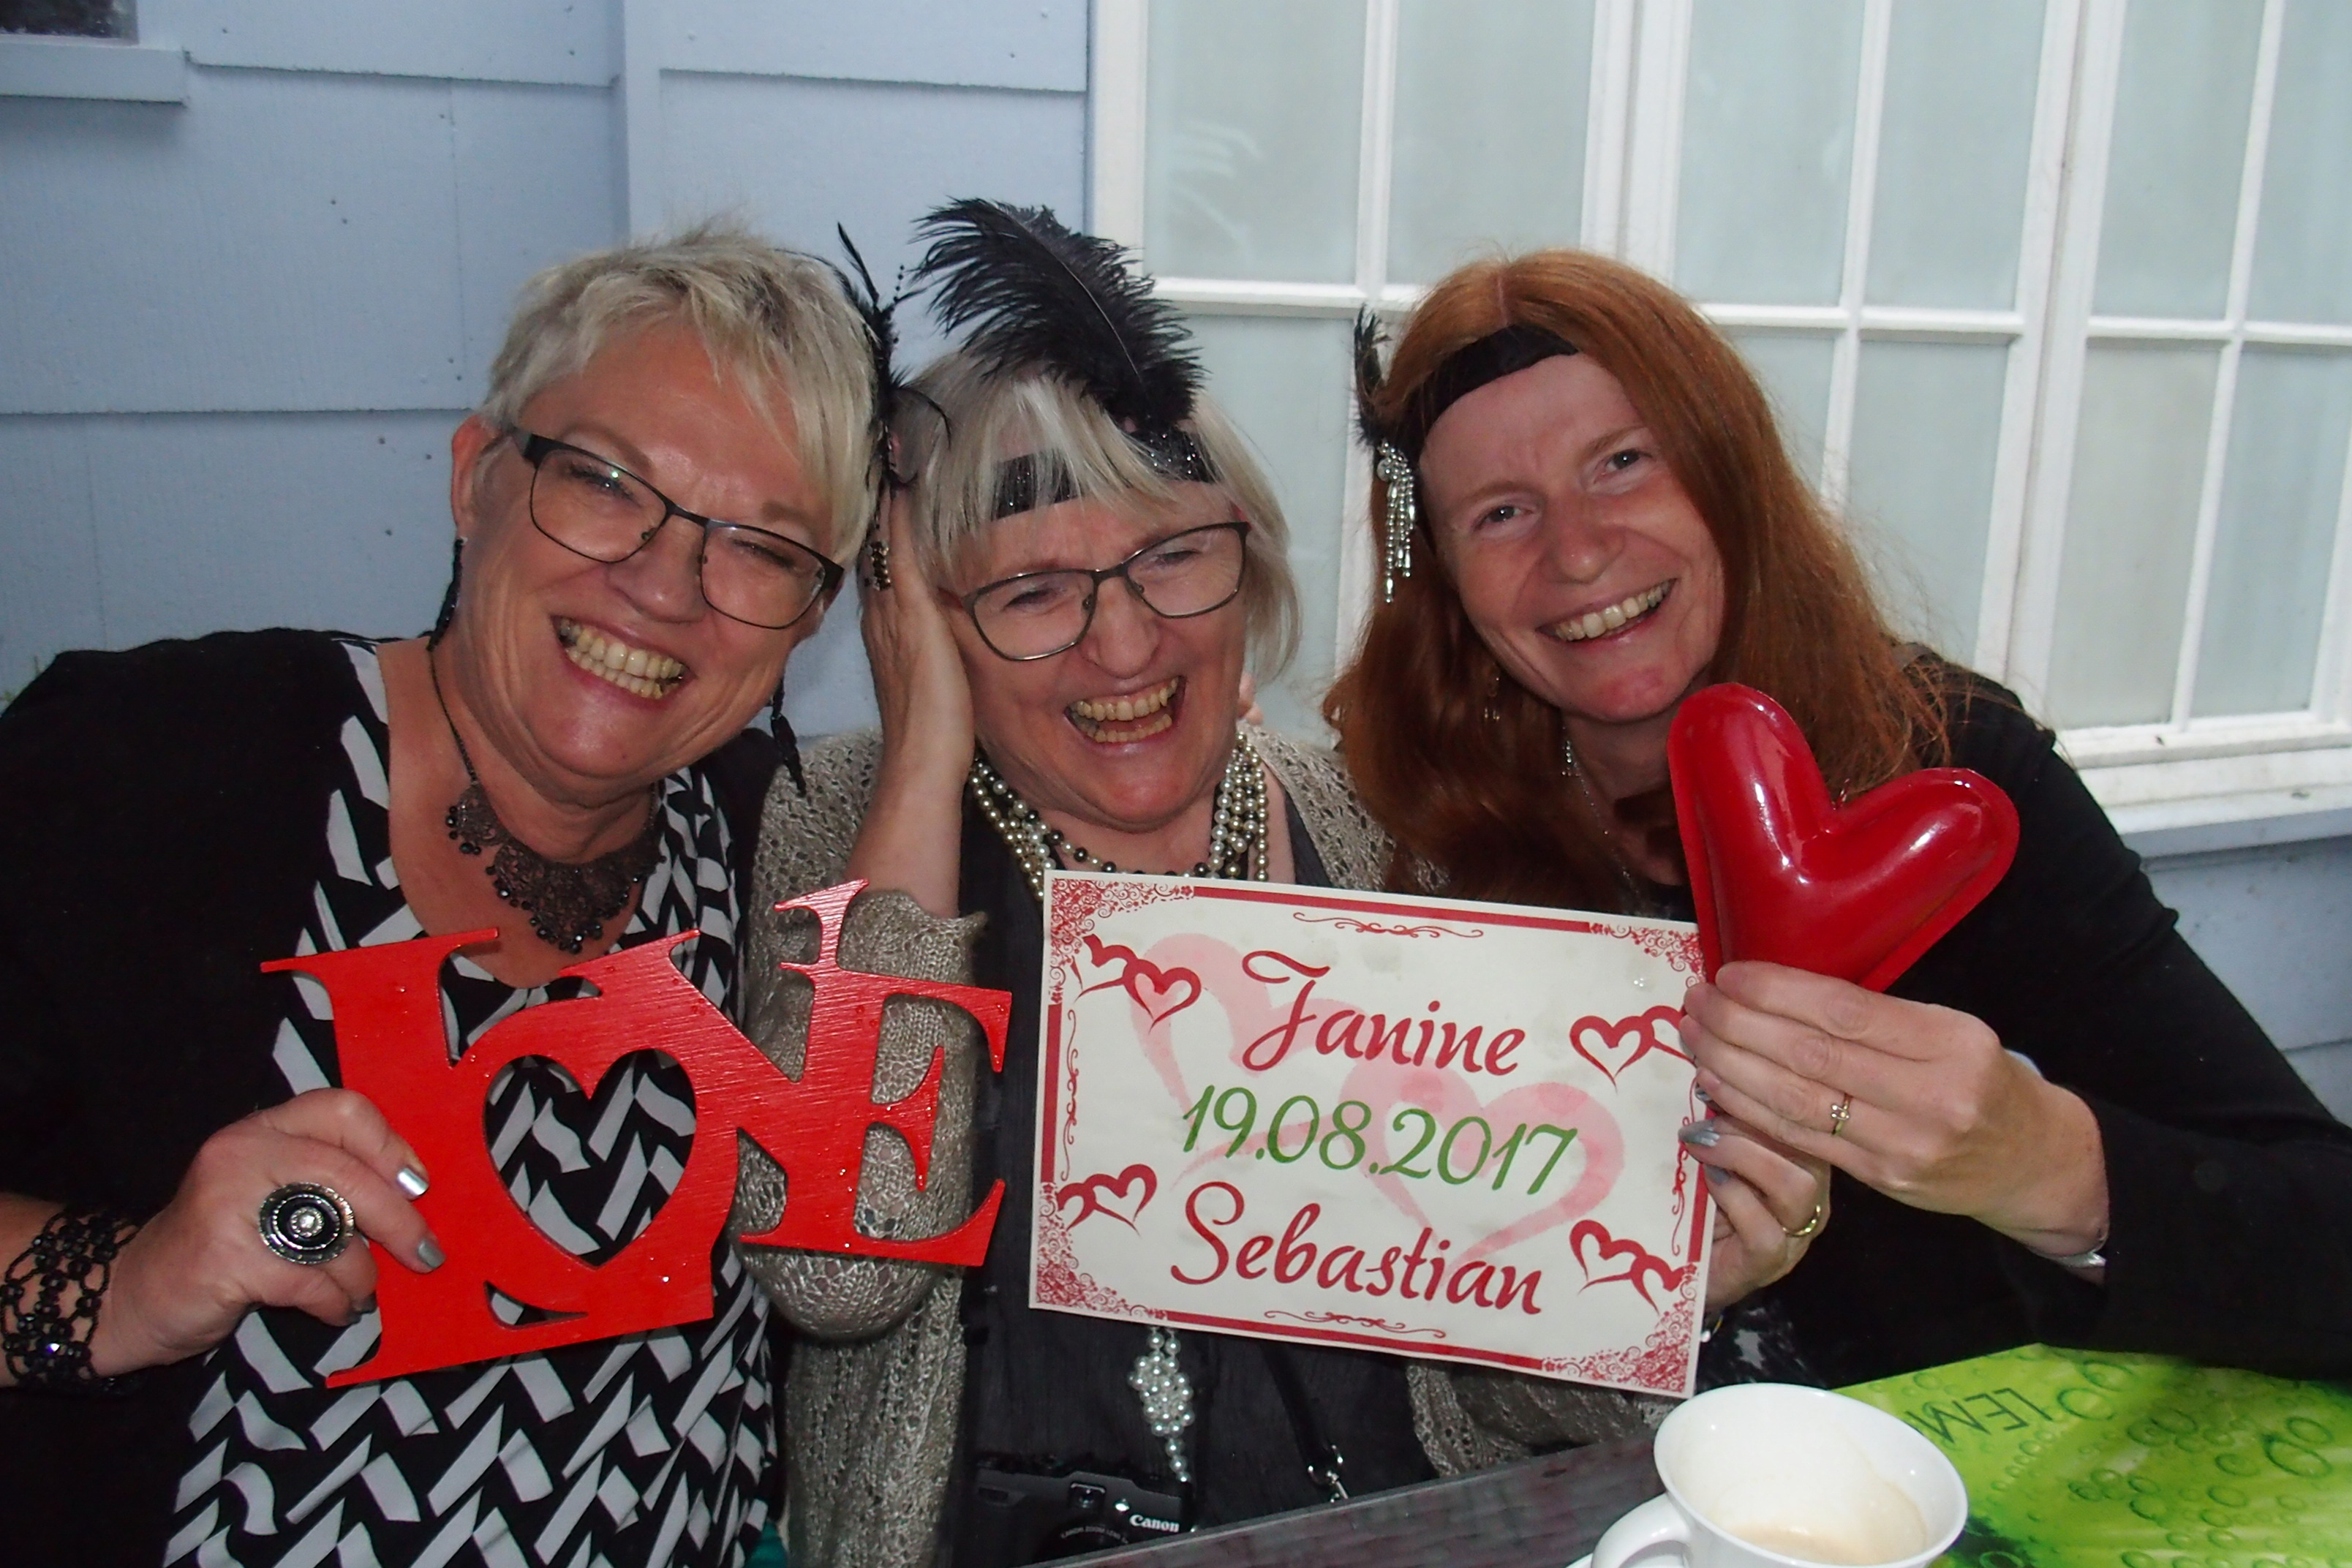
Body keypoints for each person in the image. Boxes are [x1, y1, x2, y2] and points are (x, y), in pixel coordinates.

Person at [1327, 248, 2352, 1421]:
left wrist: (2047, 1163)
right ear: (1442, 577)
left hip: (1952, 1479)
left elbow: (2325, 1234)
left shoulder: (1948, 771)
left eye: (1623, 463)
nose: (1579, 550)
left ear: (1729, 474)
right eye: (1501, 512)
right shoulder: (1416, 836)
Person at [0, 224, 881, 1567]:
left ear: (812, 618)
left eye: (760, 547)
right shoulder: (153, 767)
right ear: (476, 477)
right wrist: (123, 1284)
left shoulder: (776, 849)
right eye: (606, 483)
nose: (663, 586)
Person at [732, 201, 1543, 1568]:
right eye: (1033, 592)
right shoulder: (837, 829)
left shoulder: (1389, 836)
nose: (1124, 646)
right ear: (927, 617)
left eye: (1173, 557)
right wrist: (925, 750)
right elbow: (835, 1273)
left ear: (1249, 562)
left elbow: (1525, 1372)